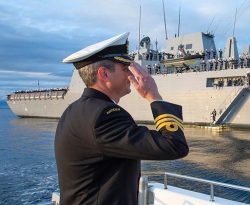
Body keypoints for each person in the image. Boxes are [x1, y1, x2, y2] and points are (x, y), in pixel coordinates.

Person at [55, 32, 189, 205]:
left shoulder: (74, 110)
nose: (131, 76)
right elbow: (174, 145)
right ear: (104, 74)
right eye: (125, 69)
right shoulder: (104, 116)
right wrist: (153, 96)